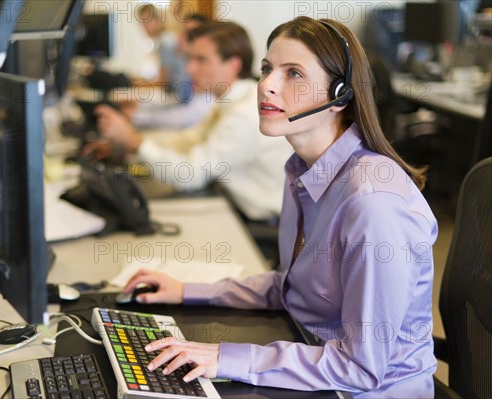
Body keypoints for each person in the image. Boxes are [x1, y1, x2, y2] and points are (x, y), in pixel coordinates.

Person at [119, 17, 438, 398]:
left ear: (340, 96)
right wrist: (189, 290)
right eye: (267, 70)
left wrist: (227, 357)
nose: (266, 86)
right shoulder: (303, 169)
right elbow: (293, 286)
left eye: (294, 74)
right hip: (313, 362)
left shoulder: (373, 203)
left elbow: (361, 368)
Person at [94, 21, 291, 221]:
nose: (189, 68)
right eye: (189, 59)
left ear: (233, 65)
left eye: (201, 60)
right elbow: (188, 139)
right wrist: (126, 145)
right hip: (227, 202)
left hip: (254, 224)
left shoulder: (244, 115)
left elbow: (189, 175)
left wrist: (135, 142)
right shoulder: (231, 100)